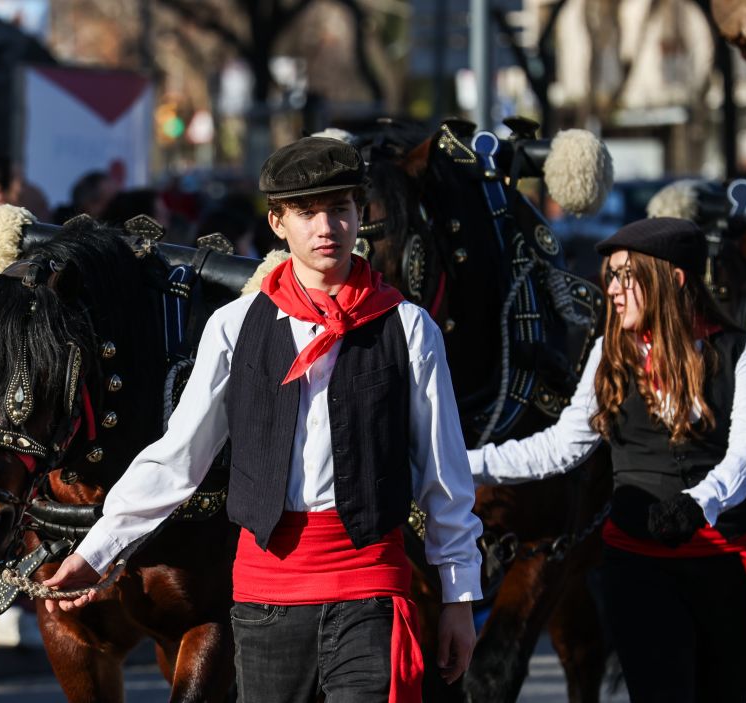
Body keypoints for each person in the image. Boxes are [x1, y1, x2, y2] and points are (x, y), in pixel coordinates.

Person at [43, 136, 483, 700]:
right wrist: (96, 551)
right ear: (277, 222)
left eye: (340, 209)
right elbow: (179, 457)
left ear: (358, 215)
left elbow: (445, 477)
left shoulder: (409, 327)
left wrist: (458, 598)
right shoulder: (234, 325)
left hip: (370, 590)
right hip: (266, 599)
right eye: (307, 213)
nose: (327, 227)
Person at [470, 217, 746, 701]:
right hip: (638, 565)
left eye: (624, 276)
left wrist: (700, 503)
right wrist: (463, 463)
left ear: (673, 278)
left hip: (723, 565)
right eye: (610, 276)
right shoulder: (609, 353)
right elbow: (561, 447)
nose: (611, 289)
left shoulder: (741, 351)